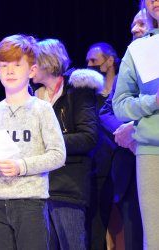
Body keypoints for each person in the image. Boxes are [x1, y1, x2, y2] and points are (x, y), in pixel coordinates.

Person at [0, 34, 66, 250]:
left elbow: (58, 154)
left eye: (17, 64)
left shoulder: (42, 110)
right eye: (4, 65)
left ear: (32, 70)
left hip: (30, 200)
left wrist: (20, 167)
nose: (10, 71)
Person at [31, 38, 101, 249]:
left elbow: (88, 138)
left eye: (33, 62)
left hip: (68, 187)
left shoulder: (77, 91)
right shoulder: (34, 97)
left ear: (47, 62)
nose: (29, 68)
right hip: (39, 189)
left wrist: (49, 143)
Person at [99, 9, 152, 249]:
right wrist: (128, 133)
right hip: (131, 162)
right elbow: (108, 111)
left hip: (150, 145)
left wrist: (135, 126)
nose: (134, 29)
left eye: (141, 23)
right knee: (134, 234)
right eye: (132, 24)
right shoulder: (129, 68)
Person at [113, 0, 159, 248]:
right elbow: (120, 104)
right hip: (152, 151)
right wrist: (153, 101)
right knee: (155, 239)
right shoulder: (139, 49)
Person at [85, 42, 120, 250]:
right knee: (95, 230)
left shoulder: (122, 91)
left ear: (109, 61)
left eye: (94, 61)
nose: (89, 65)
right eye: (87, 61)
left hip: (122, 167)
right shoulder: (89, 95)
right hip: (97, 170)